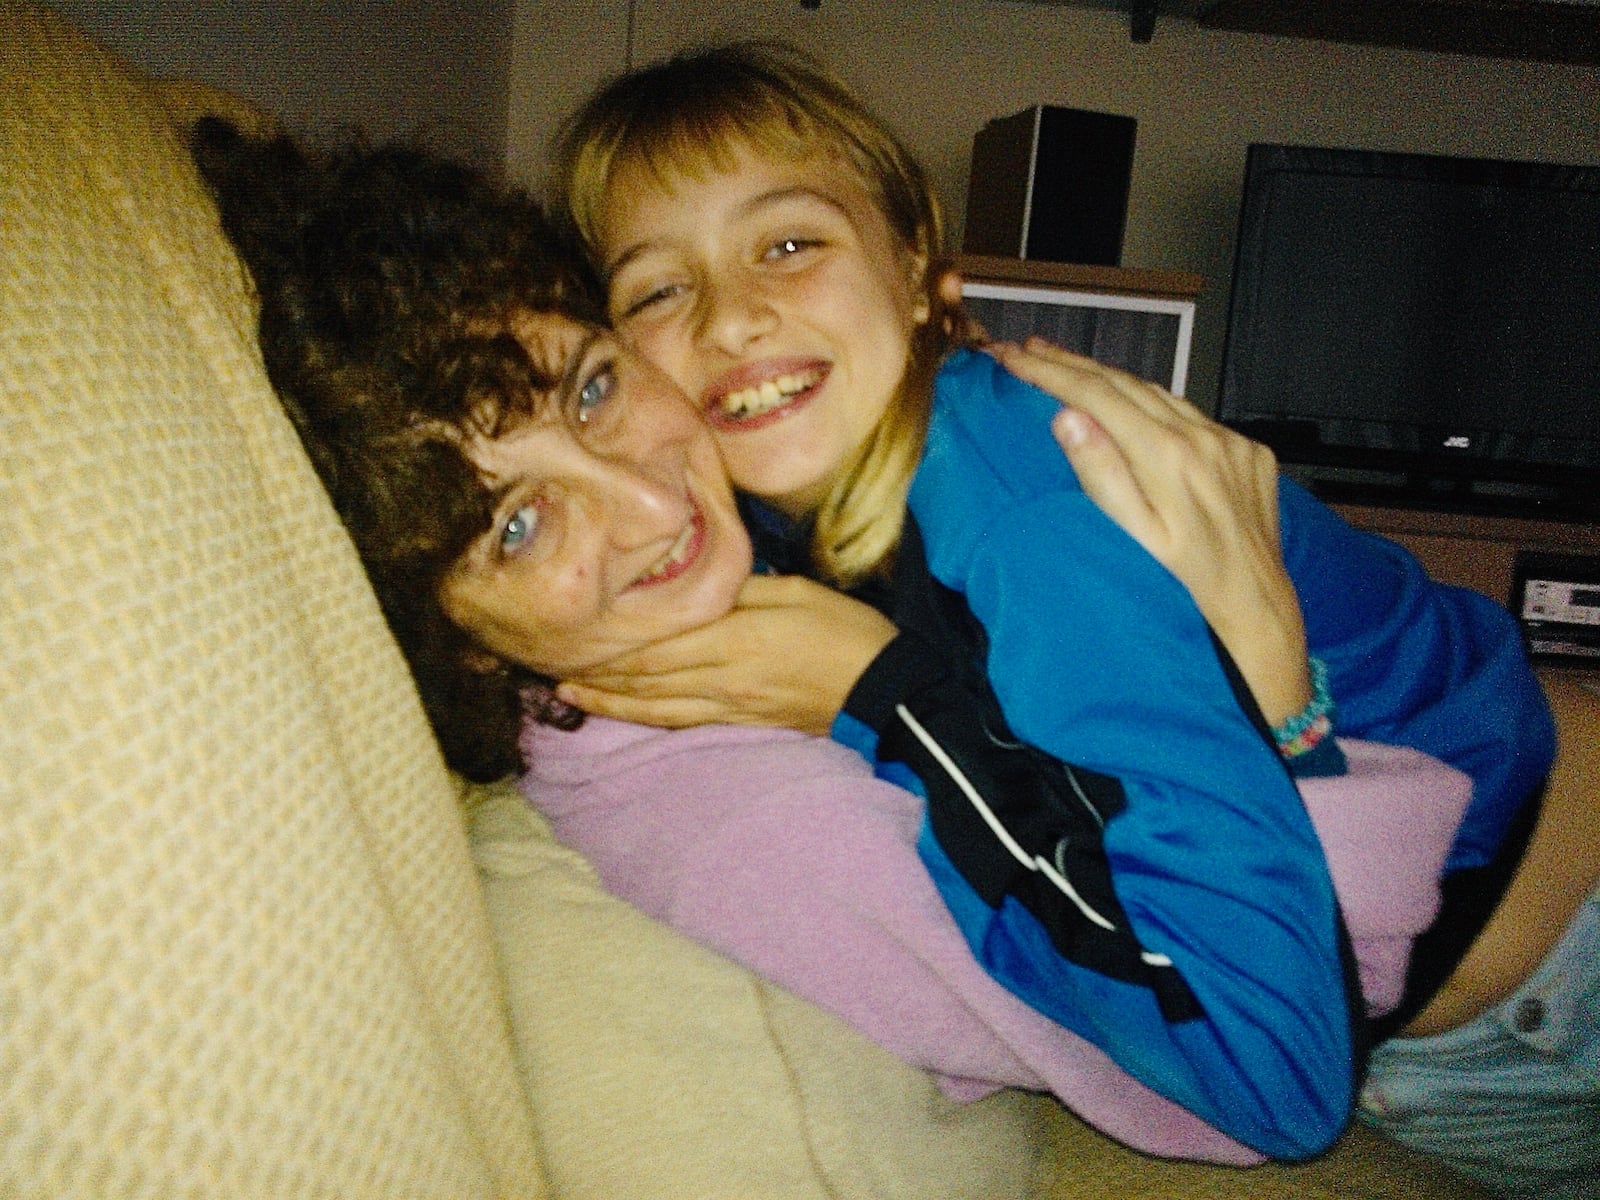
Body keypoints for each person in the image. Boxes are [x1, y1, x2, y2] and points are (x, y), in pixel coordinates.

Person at [190, 121, 1480, 1169]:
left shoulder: (847, 505)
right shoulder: (733, 817)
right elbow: (1273, 1079)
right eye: (518, 525)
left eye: (591, 387)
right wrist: (903, 700)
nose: (651, 506)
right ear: (451, 643)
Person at [549, 43, 1597, 1191]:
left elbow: (1275, 1085)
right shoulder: (779, 514)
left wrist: (883, 700)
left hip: (1564, 956)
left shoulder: (1022, 504)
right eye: (655, 288)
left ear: (911, 269)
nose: (730, 317)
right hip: (1465, 1023)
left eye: (789, 244)